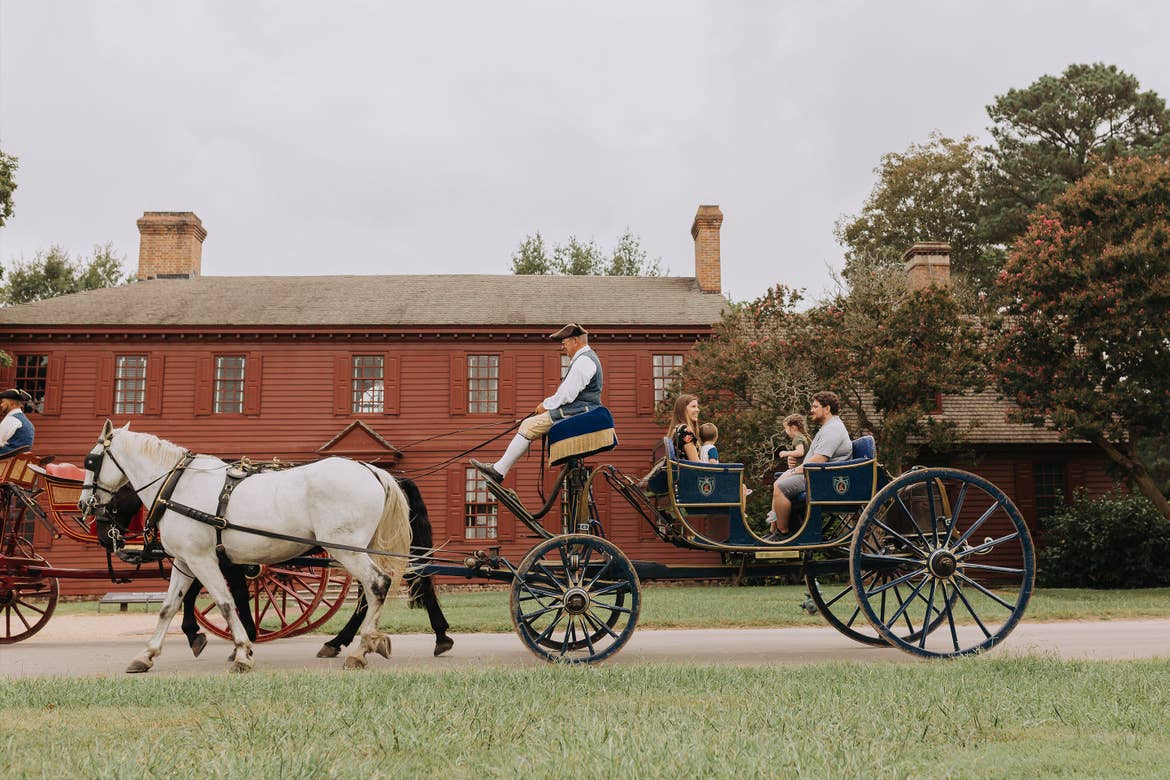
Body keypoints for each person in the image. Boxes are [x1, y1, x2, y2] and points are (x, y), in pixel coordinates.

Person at [471, 323, 602, 483]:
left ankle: (499, 471)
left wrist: (546, 405)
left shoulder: (583, 361)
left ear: (575, 341)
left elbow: (567, 394)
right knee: (528, 423)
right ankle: (499, 469)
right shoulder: (585, 359)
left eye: (564, 343)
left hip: (581, 412)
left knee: (528, 425)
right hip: (580, 410)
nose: (563, 348)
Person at [764, 391, 852, 541]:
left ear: (827, 409)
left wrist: (793, 471)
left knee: (780, 487)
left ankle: (783, 534)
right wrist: (795, 466)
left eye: (815, 406)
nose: (811, 410)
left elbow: (818, 460)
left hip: (823, 479)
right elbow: (812, 457)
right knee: (780, 482)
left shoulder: (833, 430)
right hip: (817, 475)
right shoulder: (827, 428)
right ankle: (779, 531)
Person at [0, 388, 35, 457]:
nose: (1, 405)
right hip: (19, 460)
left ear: (11, 403)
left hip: (6, 459)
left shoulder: (11, 419)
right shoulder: (27, 422)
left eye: (3, 402)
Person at [669, 394, 701, 462]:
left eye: (697, 407)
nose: (697, 410)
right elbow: (696, 463)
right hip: (687, 472)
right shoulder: (685, 431)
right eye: (693, 406)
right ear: (683, 409)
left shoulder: (677, 428)